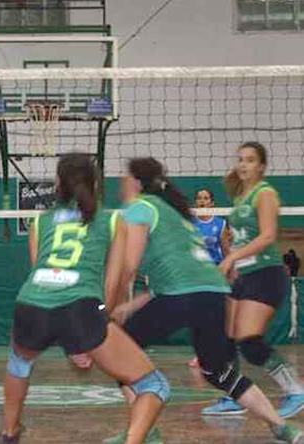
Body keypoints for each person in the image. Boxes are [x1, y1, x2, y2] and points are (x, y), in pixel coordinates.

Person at [105, 157, 302, 444]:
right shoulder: (175, 212)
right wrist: (131, 306)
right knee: (216, 370)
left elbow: (128, 268)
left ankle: (144, 430)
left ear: (135, 181)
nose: (122, 182)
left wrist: (107, 308)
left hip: (182, 295)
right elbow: (176, 276)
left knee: (120, 353)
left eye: (125, 176)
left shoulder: (139, 208)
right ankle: (281, 426)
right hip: (211, 292)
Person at [0, 153, 169, 444]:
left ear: (57, 184)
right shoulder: (113, 219)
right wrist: (93, 331)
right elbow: (114, 281)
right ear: (96, 183)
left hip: (30, 304)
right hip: (81, 308)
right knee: (155, 385)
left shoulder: (42, 221)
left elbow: (39, 272)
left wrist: (75, 340)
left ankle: (9, 433)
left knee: (18, 363)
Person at [202, 141, 304, 418]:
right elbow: (242, 237)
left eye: (249, 160)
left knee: (249, 342)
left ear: (261, 166)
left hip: (267, 274)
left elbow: (268, 236)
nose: (243, 164)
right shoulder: (240, 196)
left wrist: (230, 258)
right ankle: (235, 396)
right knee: (226, 339)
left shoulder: (265, 193)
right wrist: (233, 258)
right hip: (244, 275)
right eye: (240, 159)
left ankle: (296, 389)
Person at [189, 188, 230, 368]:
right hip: (196, 274)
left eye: (206, 198)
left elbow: (227, 252)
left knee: (216, 317)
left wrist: (230, 274)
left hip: (216, 274)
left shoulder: (220, 223)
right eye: (199, 198)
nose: (202, 201)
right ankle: (200, 355)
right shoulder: (190, 222)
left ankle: (219, 354)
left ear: (212, 203)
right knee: (198, 317)